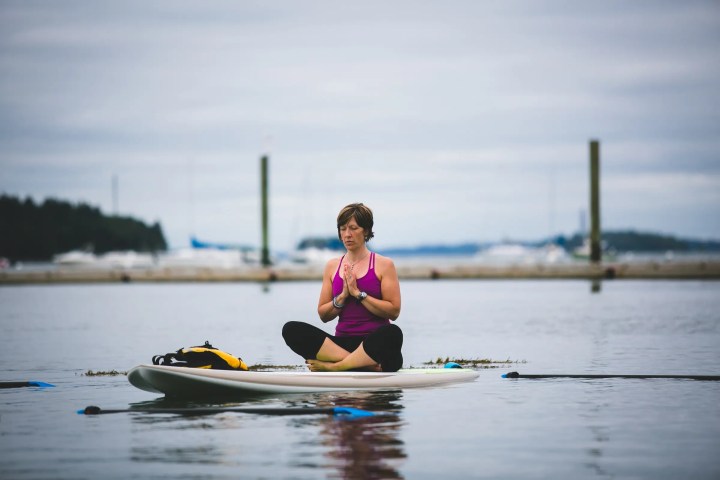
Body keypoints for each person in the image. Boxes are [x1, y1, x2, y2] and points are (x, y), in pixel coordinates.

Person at [282, 203, 403, 372]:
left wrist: (359, 294)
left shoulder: (384, 265)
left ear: (366, 231)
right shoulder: (332, 266)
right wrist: (342, 297)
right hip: (341, 345)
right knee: (291, 329)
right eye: (343, 228)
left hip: (374, 346)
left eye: (353, 228)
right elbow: (323, 315)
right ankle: (360, 365)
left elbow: (394, 312)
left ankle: (338, 366)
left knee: (393, 333)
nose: (347, 234)